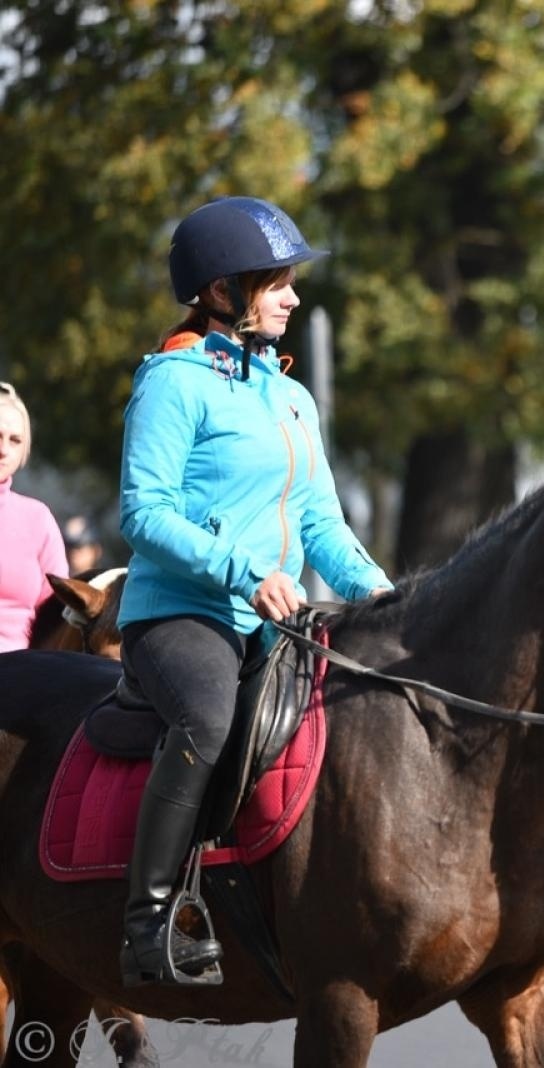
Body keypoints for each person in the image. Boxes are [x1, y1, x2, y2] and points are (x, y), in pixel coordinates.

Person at [116, 196, 393, 987]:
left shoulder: (292, 398)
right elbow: (143, 512)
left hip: (276, 621)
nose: (294, 298)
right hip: (181, 616)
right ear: (222, 289)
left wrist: (387, 600)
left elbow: (323, 527)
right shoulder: (174, 382)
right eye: (278, 282)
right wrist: (244, 573)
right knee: (207, 714)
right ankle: (150, 920)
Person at [0, 382, 68, 652]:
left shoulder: (37, 519)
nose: (4, 449)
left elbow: (58, 615)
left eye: (15, 440)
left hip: (24, 674)